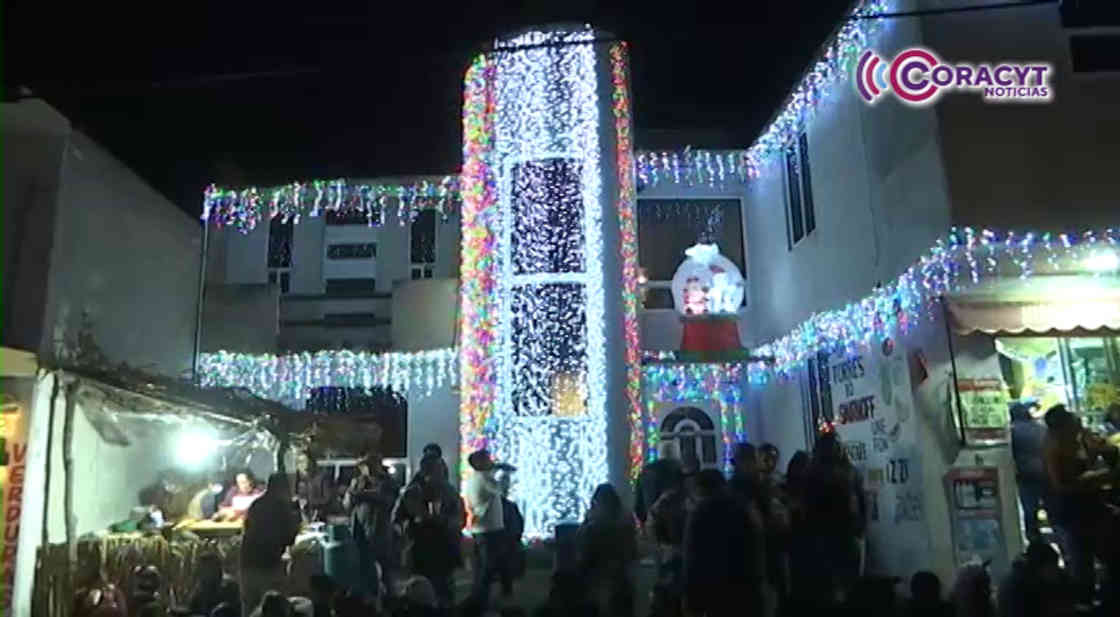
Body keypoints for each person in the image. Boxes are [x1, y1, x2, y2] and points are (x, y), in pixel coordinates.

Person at [1042, 405, 1120, 608]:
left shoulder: (1077, 440)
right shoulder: (1054, 447)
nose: (1077, 420)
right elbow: (1061, 485)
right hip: (1072, 512)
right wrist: (1095, 478)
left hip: (1090, 507)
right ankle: (1085, 601)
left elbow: (1106, 453)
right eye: (1071, 420)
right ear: (1062, 426)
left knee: (1104, 553)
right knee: (1081, 561)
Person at [683, 469, 765, 617]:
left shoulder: (700, 513)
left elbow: (693, 557)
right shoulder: (744, 507)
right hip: (747, 587)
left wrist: (692, 601)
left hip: (716, 591)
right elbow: (758, 544)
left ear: (701, 489)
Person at [801, 432, 863, 608]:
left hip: (840, 534)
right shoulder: (821, 474)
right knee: (838, 585)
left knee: (843, 585)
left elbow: (859, 500)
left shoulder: (847, 472)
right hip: (832, 535)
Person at [395, 453, 464, 608]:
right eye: (436, 469)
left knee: (444, 592)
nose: (440, 472)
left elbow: (459, 518)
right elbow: (397, 519)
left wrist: (446, 522)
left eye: (441, 469)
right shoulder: (412, 491)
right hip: (420, 548)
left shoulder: (449, 492)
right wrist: (411, 525)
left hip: (444, 547)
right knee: (421, 592)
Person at [240, 474, 300, 617]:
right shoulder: (282, 507)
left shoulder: (256, 504)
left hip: (247, 562)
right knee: (272, 609)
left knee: (249, 609)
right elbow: (289, 539)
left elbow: (246, 528)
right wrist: (296, 521)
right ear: (283, 488)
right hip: (268, 565)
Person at [575, 483, 637, 616]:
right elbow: (632, 551)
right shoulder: (626, 522)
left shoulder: (593, 527)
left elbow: (583, 554)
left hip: (598, 581)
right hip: (622, 579)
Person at [345, 452, 399, 598]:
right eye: (364, 466)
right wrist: (352, 495)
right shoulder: (358, 482)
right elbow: (347, 504)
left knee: (385, 569)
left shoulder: (388, 482)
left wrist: (364, 495)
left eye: (370, 465)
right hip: (360, 530)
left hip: (380, 531)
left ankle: (390, 600)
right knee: (363, 569)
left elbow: (388, 501)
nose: (367, 469)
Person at [464, 449, 509, 611]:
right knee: (487, 569)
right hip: (490, 530)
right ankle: (480, 601)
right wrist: (504, 476)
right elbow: (501, 491)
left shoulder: (474, 479)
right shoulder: (484, 479)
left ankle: (478, 599)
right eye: (487, 459)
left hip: (480, 529)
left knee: (482, 567)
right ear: (480, 463)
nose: (491, 461)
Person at [996, 542, 1075, 617]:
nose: (1056, 571)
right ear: (1040, 567)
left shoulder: (1024, 574)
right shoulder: (1021, 587)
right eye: (1053, 567)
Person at [1010, 400, 1047, 542]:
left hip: (1026, 475)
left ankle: (1035, 541)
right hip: (1046, 473)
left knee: (1030, 510)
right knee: (1050, 507)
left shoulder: (1013, 431)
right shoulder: (1041, 428)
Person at [634, 441, 682, 525]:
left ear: (659, 453)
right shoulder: (681, 470)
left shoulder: (646, 472)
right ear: (677, 453)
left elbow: (638, 504)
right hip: (677, 522)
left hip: (652, 521)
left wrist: (644, 522)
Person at [497, 468, 525, 601]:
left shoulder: (511, 506)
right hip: (501, 545)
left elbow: (518, 526)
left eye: (507, 482)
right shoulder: (500, 505)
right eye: (503, 482)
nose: (506, 486)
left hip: (508, 545)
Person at [295, 450, 335, 524]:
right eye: (300, 461)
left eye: (305, 461)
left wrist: (309, 502)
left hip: (319, 519)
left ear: (311, 462)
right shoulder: (296, 480)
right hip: (301, 520)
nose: (304, 464)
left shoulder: (322, 477)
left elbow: (328, 499)